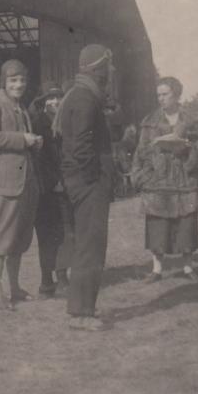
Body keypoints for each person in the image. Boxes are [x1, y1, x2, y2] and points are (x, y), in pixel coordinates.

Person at [55, 44, 116, 331]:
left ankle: (82, 309)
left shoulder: (80, 95)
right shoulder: (85, 98)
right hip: (88, 183)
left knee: (87, 246)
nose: (112, 71)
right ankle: (81, 314)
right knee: (90, 248)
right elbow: (80, 147)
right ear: (97, 68)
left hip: (81, 182)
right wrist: (95, 180)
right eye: (109, 65)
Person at [0, 59, 44, 311]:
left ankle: (14, 288)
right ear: (3, 82)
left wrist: (34, 142)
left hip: (24, 185)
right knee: (0, 240)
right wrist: (22, 139)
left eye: (22, 80)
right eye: (13, 80)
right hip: (3, 185)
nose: (19, 85)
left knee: (18, 240)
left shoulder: (20, 108)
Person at [131, 76, 198, 283]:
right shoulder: (150, 121)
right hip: (158, 182)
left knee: (186, 225)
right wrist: (142, 175)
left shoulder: (193, 120)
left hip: (185, 180)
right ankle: (157, 269)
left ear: (176, 95)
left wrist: (189, 151)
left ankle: (187, 267)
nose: (161, 98)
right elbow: (141, 151)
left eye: (165, 94)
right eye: (158, 95)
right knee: (157, 226)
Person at [29, 80, 73, 298]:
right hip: (45, 189)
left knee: (65, 233)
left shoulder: (67, 122)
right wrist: (52, 181)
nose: (55, 101)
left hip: (65, 187)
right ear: (44, 102)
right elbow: (38, 158)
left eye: (58, 97)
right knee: (46, 235)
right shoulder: (37, 124)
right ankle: (46, 281)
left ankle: (63, 277)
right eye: (50, 98)